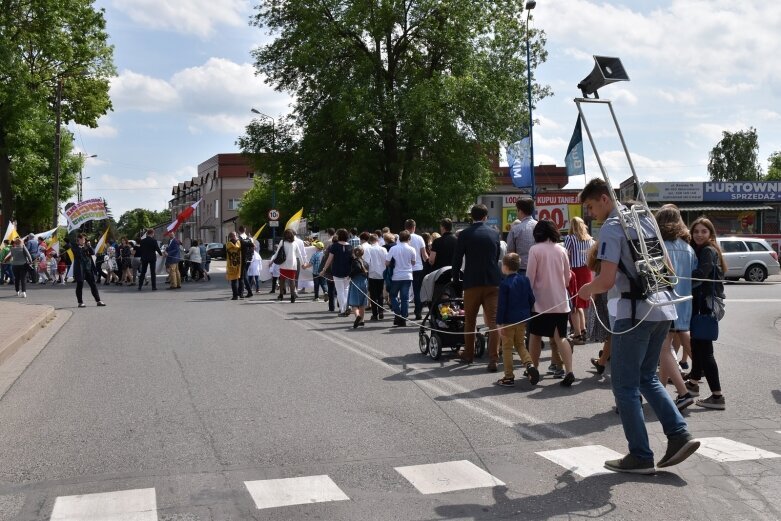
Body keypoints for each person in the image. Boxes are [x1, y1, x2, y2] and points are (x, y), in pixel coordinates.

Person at [577, 178, 699, 474]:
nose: (591, 214)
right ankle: (679, 434)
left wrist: (586, 290)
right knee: (648, 377)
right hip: (662, 308)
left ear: (605, 199)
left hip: (633, 313)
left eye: (591, 206)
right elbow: (666, 267)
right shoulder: (645, 218)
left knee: (625, 385)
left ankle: (640, 455)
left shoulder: (611, 227)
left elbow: (606, 281)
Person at [655, 206, 697, 411]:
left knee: (663, 348)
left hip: (665, 302)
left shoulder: (659, 246)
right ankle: (661, 390)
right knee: (667, 347)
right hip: (684, 303)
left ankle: (682, 393)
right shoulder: (688, 248)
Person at [526, 220, 576, 386]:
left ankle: (533, 368)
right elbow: (567, 279)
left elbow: (530, 278)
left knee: (535, 335)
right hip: (560, 301)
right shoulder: (562, 250)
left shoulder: (535, 250)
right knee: (561, 337)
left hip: (540, 301)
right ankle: (569, 370)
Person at [452, 204, 501, 371]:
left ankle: (469, 353)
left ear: (471, 217)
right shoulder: (494, 233)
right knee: (494, 322)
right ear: (486, 217)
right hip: (493, 282)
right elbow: (496, 256)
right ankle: (494, 358)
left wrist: (456, 279)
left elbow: (457, 259)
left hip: (472, 281)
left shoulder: (465, 234)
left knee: (470, 320)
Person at [686, 217, 727, 410]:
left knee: (705, 350)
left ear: (710, 234)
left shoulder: (708, 250)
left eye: (704, 231)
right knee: (696, 345)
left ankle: (717, 396)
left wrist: (679, 274)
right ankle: (693, 384)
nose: (699, 235)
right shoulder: (701, 249)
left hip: (705, 305)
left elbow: (701, 274)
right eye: (696, 231)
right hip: (701, 303)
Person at [495, 253, 538, 387]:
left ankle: (509, 376)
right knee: (520, 344)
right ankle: (529, 364)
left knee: (507, 347)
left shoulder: (504, 284)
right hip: (522, 319)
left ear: (506, 267)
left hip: (508, 320)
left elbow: (501, 305)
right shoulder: (525, 280)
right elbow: (532, 299)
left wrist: (499, 323)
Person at [564, 216, 595, 345]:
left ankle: (578, 332)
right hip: (587, 270)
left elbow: (565, 254)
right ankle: (583, 329)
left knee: (575, 302)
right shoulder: (590, 240)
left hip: (575, 271)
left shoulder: (570, 238)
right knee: (582, 301)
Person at [385, 230, 416, 326]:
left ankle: (397, 313)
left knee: (393, 295)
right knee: (405, 298)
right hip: (407, 275)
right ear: (409, 239)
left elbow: (387, 262)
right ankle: (404, 317)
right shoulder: (412, 249)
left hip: (396, 276)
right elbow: (413, 262)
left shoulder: (394, 249)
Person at [320, 229, 353, 315]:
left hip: (337, 271)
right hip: (348, 271)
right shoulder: (350, 246)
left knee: (340, 291)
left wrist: (324, 269)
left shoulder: (334, 246)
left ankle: (343, 309)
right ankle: (348, 306)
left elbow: (329, 259)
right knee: (346, 289)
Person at [272, 228, 306, 303]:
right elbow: (300, 255)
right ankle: (292, 296)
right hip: (293, 264)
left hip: (283, 263)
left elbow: (277, 252)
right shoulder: (295, 243)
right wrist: (303, 264)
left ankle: (281, 295)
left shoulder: (282, 242)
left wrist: (272, 260)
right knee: (292, 280)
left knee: (282, 280)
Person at [71, 233, 106, 308]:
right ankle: (80, 302)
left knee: (93, 285)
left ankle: (98, 301)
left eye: (85, 239)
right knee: (80, 285)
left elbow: (93, 252)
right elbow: (78, 254)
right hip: (80, 269)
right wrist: (82, 247)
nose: (84, 240)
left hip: (88, 268)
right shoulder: (74, 247)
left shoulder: (87, 246)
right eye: (83, 239)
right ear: (79, 239)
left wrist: (89, 246)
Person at [506, 197, 537, 274]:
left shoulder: (515, 229)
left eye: (517, 210)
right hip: (538, 269)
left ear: (520, 211)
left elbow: (510, 251)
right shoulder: (540, 226)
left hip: (521, 269)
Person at [405, 219, 428, 320]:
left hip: (405, 268)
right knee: (417, 291)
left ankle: (404, 312)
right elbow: (424, 254)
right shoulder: (419, 238)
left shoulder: (400, 238)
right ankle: (418, 311)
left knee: (404, 291)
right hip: (418, 267)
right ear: (414, 227)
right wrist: (429, 261)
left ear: (405, 227)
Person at [365, 234, 386, 320]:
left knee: (373, 295)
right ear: (377, 240)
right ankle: (381, 310)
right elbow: (386, 260)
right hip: (381, 273)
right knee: (380, 293)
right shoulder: (383, 249)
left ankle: (375, 314)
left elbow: (366, 262)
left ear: (370, 241)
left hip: (372, 274)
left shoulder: (368, 249)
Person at [347, 246, 369, 328]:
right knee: (362, 303)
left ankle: (357, 316)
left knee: (354, 303)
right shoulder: (365, 263)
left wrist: (350, 275)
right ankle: (362, 320)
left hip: (356, 282)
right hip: (364, 283)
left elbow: (356, 269)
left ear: (354, 253)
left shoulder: (355, 262)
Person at [237, 226, 255, 297]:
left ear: (239, 230)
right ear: (245, 230)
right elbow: (253, 248)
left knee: (243, 276)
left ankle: (248, 291)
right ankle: (240, 291)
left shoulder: (239, 238)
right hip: (249, 259)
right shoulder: (250, 238)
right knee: (244, 275)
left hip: (242, 258)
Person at [225, 232, 243, 299]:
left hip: (231, 264)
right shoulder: (239, 243)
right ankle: (240, 294)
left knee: (233, 281)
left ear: (230, 237)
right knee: (240, 280)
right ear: (235, 236)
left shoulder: (227, 244)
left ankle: (235, 296)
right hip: (239, 264)